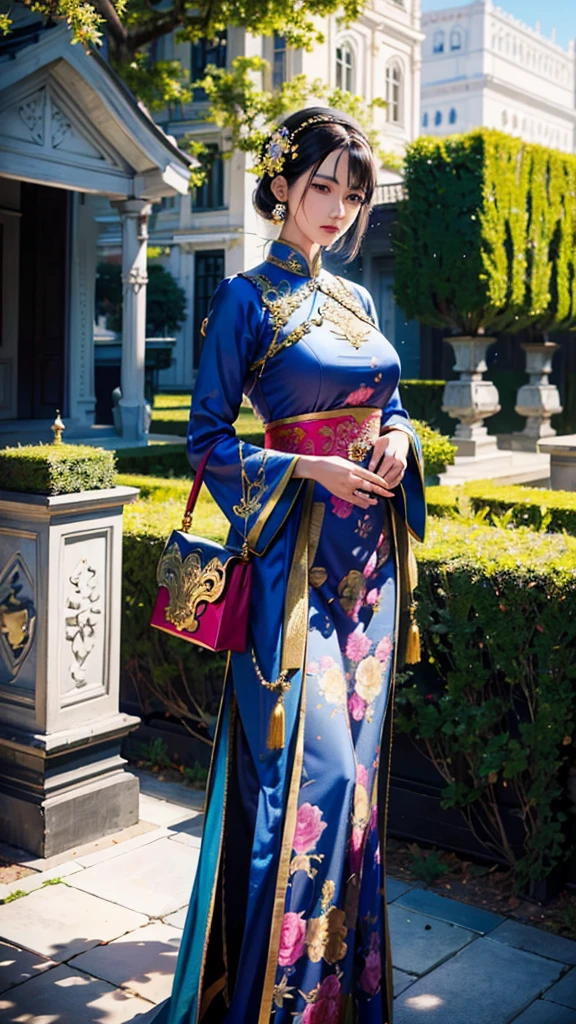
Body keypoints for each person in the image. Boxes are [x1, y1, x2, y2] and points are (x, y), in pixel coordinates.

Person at [151, 107, 425, 1024]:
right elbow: (201, 442)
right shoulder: (244, 299)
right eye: (323, 187)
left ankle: (339, 999)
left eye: (353, 194)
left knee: (358, 795)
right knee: (314, 782)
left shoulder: (358, 302)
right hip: (293, 574)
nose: (341, 208)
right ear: (281, 184)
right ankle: (271, 1005)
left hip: (372, 577)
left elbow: (391, 401)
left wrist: (398, 436)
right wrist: (304, 465)